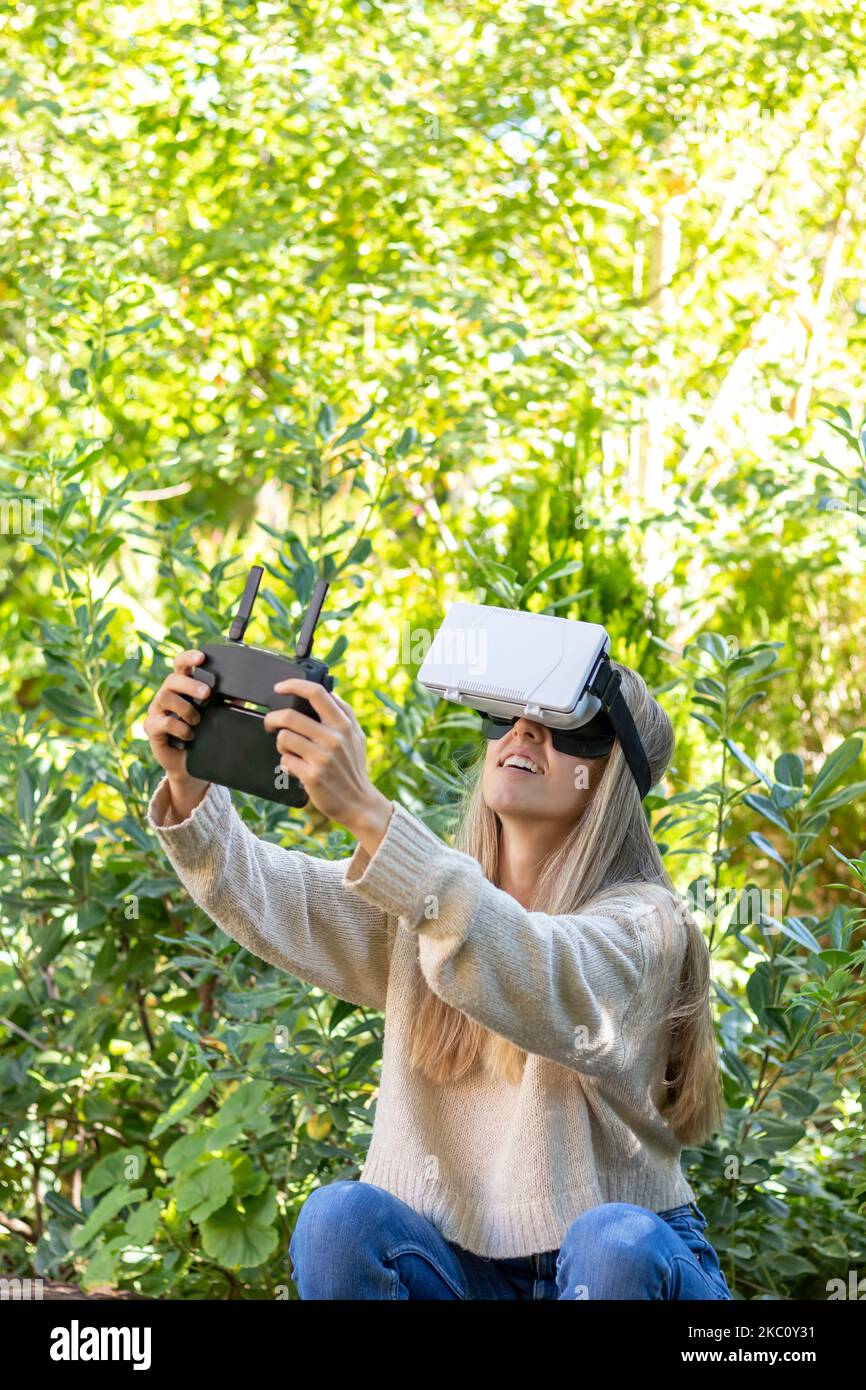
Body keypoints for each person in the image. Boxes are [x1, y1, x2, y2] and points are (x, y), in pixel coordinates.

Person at [144, 646, 733, 1301]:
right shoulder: (422, 911)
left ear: (613, 775)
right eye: (504, 714)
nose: (524, 731)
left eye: (568, 723)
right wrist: (190, 783)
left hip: (620, 1276)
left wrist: (368, 811)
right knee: (339, 1222)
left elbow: (543, 973)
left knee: (614, 1245)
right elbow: (277, 898)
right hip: (456, 1272)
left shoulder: (647, 924)